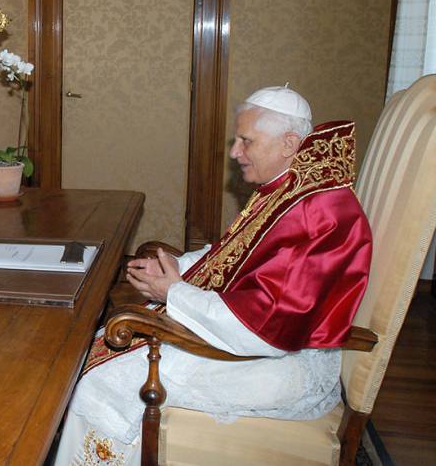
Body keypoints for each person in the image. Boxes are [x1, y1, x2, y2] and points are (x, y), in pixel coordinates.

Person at [55, 85, 373, 466]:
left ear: (289, 143)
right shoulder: (290, 186)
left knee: (102, 380)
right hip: (259, 342)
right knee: (103, 346)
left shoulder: (318, 212)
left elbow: (270, 323)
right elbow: (233, 253)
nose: (235, 152)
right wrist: (178, 269)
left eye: (246, 141)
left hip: (282, 363)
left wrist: (174, 291)